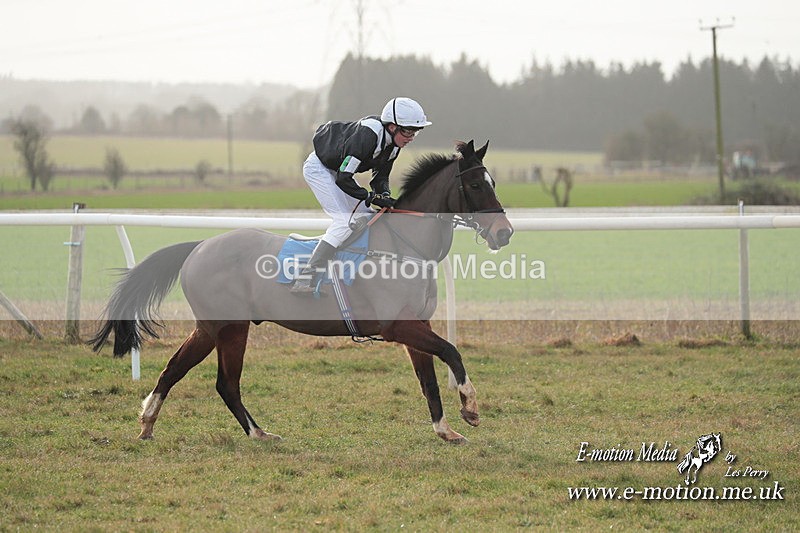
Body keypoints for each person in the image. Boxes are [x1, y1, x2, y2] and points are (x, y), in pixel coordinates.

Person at [290, 97, 432, 294]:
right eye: (408, 131)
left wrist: (383, 195)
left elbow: (379, 178)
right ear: (392, 127)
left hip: (338, 171)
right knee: (343, 221)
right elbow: (343, 178)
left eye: (415, 132)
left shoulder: (393, 147)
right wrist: (370, 197)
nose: (411, 137)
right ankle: (306, 278)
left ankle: (348, 264)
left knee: (366, 215)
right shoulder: (367, 136)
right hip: (320, 169)